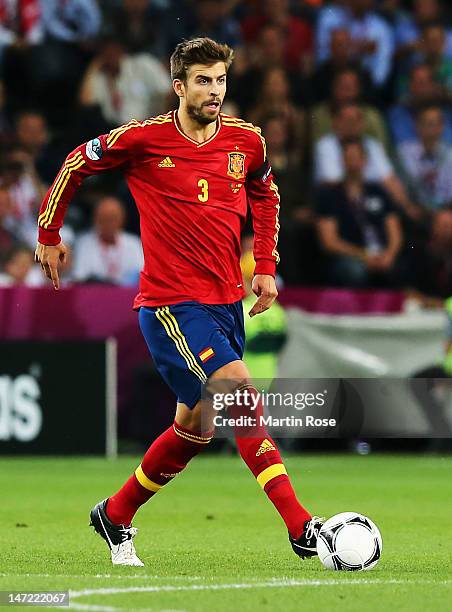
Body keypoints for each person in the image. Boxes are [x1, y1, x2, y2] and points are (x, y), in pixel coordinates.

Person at [35, 37, 322, 567]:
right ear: (179, 87)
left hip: (224, 303)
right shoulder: (144, 139)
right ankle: (302, 527)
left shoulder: (246, 141)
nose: (215, 91)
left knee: (196, 428)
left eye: (221, 81)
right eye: (204, 81)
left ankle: (115, 515)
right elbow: (78, 161)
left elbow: (265, 193)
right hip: (170, 305)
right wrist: (49, 231)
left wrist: (264, 266)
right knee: (239, 393)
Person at [316, 138, 403, 287]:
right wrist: (363, 255)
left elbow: (394, 230)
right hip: (352, 256)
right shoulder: (330, 195)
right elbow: (329, 241)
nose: (353, 163)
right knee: (354, 271)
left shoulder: (379, 191)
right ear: (342, 161)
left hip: (381, 253)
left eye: (357, 158)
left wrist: (389, 254)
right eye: (349, 158)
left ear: (365, 161)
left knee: (402, 266)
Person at [73, 196, 143, 285]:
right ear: (96, 219)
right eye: (105, 219)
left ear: (122, 219)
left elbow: (140, 276)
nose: (109, 223)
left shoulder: (134, 243)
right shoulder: (84, 244)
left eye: (113, 219)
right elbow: (79, 279)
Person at [397, 105, 452, 211]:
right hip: (414, 209)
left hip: (446, 210)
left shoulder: (450, 154)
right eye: (430, 124)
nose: (434, 128)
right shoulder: (403, 153)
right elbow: (403, 186)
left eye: (438, 124)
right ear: (417, 126)